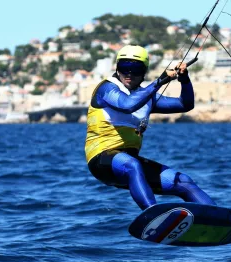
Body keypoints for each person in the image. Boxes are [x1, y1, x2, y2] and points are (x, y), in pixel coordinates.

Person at [85, 45, 216, 211]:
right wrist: (160, 80)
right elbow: (127, 105)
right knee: (132, 164)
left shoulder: (146, 96)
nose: (129, 74)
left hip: (129, 162)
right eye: (125, 68)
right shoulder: (106, 88)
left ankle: (223, 223)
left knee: (183, 182)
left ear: (144, 70)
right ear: (117, 67)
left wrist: (184, 79)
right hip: (101, 159)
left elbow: (185, 104)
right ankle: (154, 214)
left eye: (136, 69)